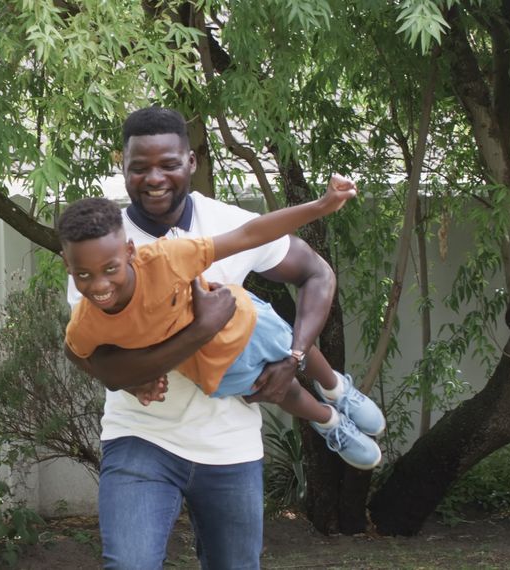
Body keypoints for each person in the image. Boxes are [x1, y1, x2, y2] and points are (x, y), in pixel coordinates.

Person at [64, 107, 369, 569]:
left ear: (191, 161)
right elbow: (106, 367)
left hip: (230, 443)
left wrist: (295, 355)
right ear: (119, 165)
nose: (154, 178)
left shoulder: (218, 223)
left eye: (168, 164)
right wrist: (199, 330)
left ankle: (336, 397)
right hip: (141, 437)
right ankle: (331, 407)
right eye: (139, 167)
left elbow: (316, 273)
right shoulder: (98, 253)